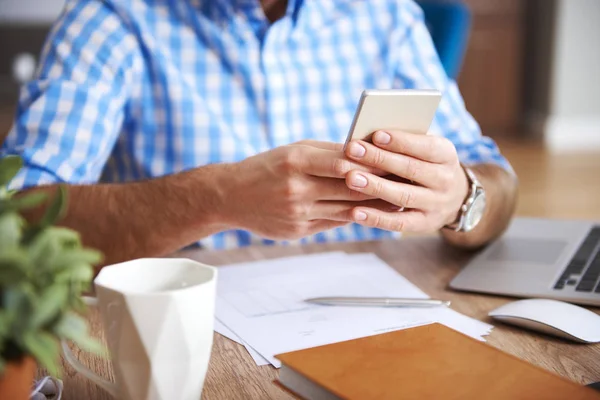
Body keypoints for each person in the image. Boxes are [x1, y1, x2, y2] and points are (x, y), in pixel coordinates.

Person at [1, 0, 518, 266]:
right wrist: (214, 197)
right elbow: (18, 221)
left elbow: (497, 180)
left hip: (378, 324)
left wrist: (461, 199)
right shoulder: (114, 15)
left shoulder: (384, 12)